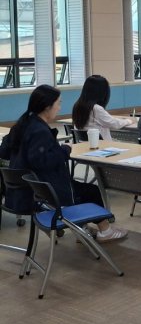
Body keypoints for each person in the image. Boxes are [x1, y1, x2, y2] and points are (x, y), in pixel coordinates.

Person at [0, 85, 127, 242]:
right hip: (42, 194)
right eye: (58, 104)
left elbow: (4, 152)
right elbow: (43, 161)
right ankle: (105, 231)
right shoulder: (39, 131)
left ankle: (82, 230)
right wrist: (65, 150)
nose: (59, 108)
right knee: (90, 192)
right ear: (47, 107)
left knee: (83, 189)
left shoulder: (22, 124)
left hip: (19, 193)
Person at [73, 75, 135, 141]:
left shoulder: (77, 106)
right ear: (101, 92)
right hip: (102, 147)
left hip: (86, 146)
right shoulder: (96, 109)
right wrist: (129, 121)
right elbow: (114, 124)